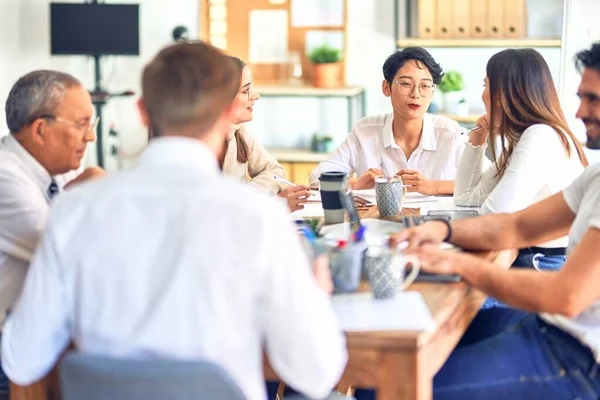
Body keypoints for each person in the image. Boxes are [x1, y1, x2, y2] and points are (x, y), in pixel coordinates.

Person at [1, 41, 347, 400]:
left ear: (142, 112)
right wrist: (315, 298)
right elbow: (315, 372)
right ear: (228, 114)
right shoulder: (260, 217)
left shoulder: (73, 212)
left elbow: (21, 360)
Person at [358, 42, 600, 400]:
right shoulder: (586, 169)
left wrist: (455, 261)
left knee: (385, 386)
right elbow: (511, 224)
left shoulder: (541, 136)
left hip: (576, 356)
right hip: (551, 327)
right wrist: (443, 229)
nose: (579, 111)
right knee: (392, 366)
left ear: (506, 90)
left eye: (592, 98)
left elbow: (566, 295)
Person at [451, 48, 588, 345]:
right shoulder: (524, 138)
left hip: (542, 271)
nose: (483, 96)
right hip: (530, 264)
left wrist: (445, 233)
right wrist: (477, 137)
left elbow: (493, 217)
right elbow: (465, 198)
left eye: (486, 86)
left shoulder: (541, 136)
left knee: (444, 317)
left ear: (505, 92)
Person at [0, 70, 104, 395]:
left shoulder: (54, 172)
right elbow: (73, 255)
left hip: (42, 339)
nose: (91, 137)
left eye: (93, 123)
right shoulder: (5, 176)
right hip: (10, 356)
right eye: (81, 124)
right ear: (41, 129)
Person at [309, 46, 469, 195]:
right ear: (387, 88)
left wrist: (434, 187)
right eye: (406, 84)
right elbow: (317, 178)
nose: (416, 94)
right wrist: (355, 184)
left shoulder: (450, 133)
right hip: (378, 222)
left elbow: (485, 184)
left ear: (432, 92)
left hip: (436, 224)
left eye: (425, 86)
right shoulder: (365, 131)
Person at [222, 57, 311, 212]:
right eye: (245, 91)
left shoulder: (239, 132)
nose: (256, 95)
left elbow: (275, 170)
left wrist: (249, 195)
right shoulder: (206, 145)